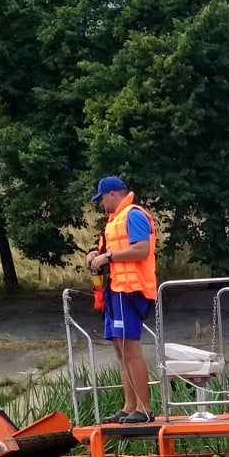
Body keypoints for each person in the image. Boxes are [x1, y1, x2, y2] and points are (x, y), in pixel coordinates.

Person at [84, 176, 156, 424]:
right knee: (119, 349)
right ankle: (129, 406)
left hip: (131, 291)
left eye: (101, 198)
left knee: (130, 348)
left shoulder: (133, 215)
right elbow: (113, 252)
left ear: (113, 194)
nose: (101, 203)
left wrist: (108, 257)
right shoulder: (113, 221)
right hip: (115, 290)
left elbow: (142, 249)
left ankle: (144, 409)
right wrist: (98, 254)